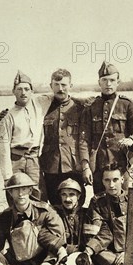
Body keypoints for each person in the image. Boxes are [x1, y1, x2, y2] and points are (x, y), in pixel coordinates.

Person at [79, 62, 133, 194]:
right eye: (104, 80)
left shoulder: (127, 105)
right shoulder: (91, 106)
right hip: (99, 166)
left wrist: (131, 140)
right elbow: (84, 139)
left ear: (118, 82)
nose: (108, 84)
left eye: (112, 80)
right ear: (99, 82)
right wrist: (85, 166)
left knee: (123, 201)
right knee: (100, 201)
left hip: (122, 164)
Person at [40, 69, 89, 205]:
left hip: (73, 166)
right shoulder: (43, 107)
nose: (60, 89)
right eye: (56, 85)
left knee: (77, 204)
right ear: (51, 86)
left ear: (70, 86)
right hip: (51, 166)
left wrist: (86, 166)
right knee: (55, 204)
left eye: (64, 85)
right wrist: (5, 115)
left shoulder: (80, 108)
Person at [0, 70, 48, 201]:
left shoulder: (41, 103)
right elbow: (3, 149)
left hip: (34, 159)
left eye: (27, 89)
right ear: (13, 91)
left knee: (39, 196)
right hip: (16, 159)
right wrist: (7, 176)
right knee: (16, 196)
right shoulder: (8, 117)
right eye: (19, 89)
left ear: (32, 91)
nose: (23, 92)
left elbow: (62, 96)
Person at [54, 178, 96, 265]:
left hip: (82, 254)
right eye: (64, 195)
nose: (67, 199)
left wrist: (89, 249)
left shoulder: (87, 213)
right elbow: (46, 234)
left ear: (79, 196)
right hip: (61, 254)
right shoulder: (54, 213)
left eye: (72, 194)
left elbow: (103, 232)